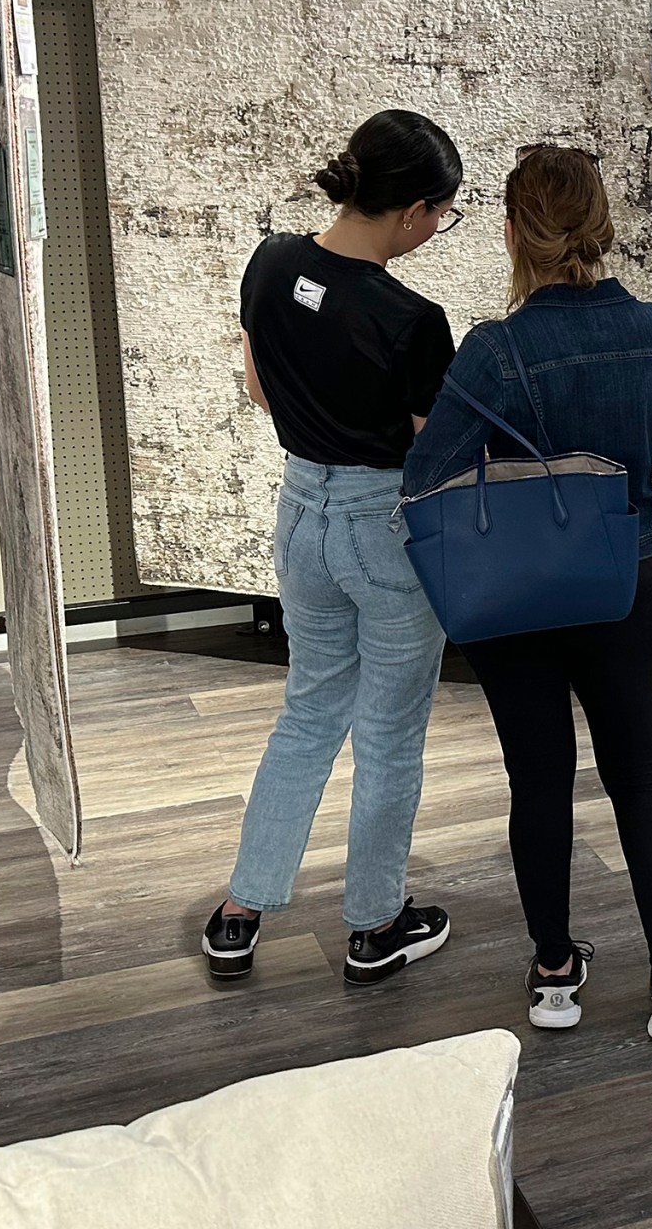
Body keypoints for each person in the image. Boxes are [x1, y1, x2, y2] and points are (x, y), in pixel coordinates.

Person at [403, 145, 652, 1041]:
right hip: (626, 579)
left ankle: (552, 976)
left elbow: (428, 475)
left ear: (510, 232)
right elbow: (645, 442)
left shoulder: (493, 354)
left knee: (538, 783)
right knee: (642, 779)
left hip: (515, 598)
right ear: (602, 226)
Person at [203, 110, 466, 988]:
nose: (436, 232)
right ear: (411, 211)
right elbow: (428, 447)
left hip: (300, 511)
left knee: (309, 712)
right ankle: (375, 923)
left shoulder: (272, 261)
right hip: (383, 524)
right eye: (442, 215)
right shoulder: (414, 318)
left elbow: (258, 387)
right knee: (389, 736)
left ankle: (242, 910)